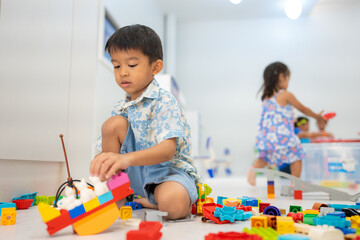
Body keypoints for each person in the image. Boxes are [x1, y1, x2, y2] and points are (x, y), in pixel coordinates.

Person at [90, 24, 199, 219]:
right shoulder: (120, 108)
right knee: (112, 124)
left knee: (173, 205)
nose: (123, 72)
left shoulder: (164, 101)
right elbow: (112, 149)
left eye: (131, 65)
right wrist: (104, 162)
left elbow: (167, 151)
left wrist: (126, 159)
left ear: (155, 67)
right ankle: (116, 195)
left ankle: (155, 201)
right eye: (117, 66)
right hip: (135, 176)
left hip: (168, 174)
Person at [247, 62, 327, 186]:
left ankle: (252, 173)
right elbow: (303, 109)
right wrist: (317, 116)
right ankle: (295, 183)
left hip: (267, 137)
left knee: (265, 157)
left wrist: (290, 119)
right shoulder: (285, 95)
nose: (288, 83)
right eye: (288, 79)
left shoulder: (266, 97)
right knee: (296, 155)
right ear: (281, 77)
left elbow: (275, 117)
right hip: (281, 136)